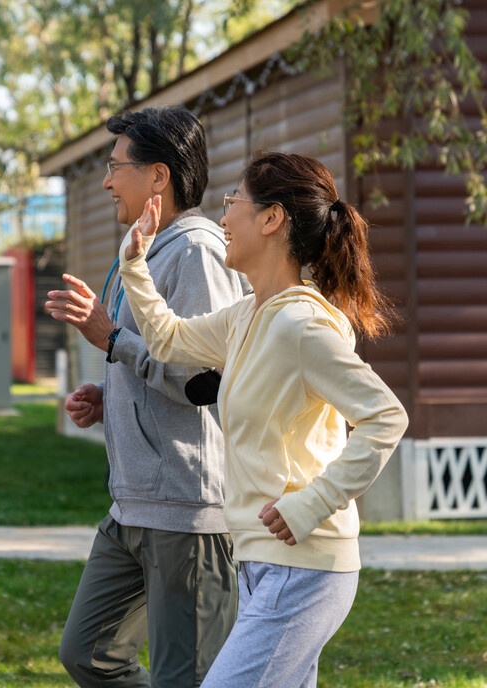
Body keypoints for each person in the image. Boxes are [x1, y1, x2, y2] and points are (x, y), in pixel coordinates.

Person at [118, 151, 408, 687]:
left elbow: (385, 417)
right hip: (261, 563)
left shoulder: (300, 326)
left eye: (234, 203)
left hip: (305, 566)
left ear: (272, 219)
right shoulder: (250, 314)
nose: (223, 217)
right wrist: (135, 266)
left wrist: (313, 502)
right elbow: (168, 339)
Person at [45, 106, 247, 687]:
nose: (107, 181)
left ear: (158, 176)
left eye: (116, 167)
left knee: (186, 680)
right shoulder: (143, 249)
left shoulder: (196, 252)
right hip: (131, 507)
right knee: (89, 652)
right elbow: (155, 360)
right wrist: (111, 394)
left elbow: (204, 379)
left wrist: (111, 339)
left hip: (188, 512)